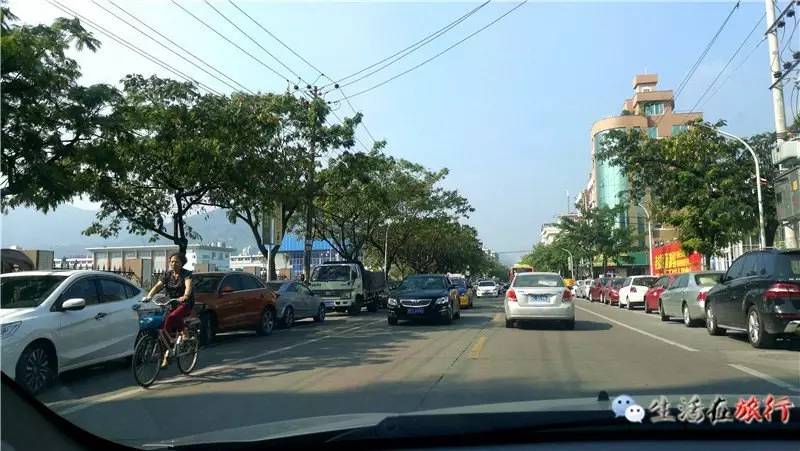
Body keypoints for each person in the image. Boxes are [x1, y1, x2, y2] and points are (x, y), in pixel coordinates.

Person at [144, 252, 193, 367]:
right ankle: (166, 351)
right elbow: (157, 286)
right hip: (171, 303)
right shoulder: (167, 275)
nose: (173, 263)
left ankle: (183, 334)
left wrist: (185, 295)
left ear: (182, 263)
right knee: (162, 324)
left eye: (176, 261)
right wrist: (149, 296)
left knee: (172, 317)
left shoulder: (186, 274)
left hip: (184, 303)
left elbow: (188, 286)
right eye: (171, 261)